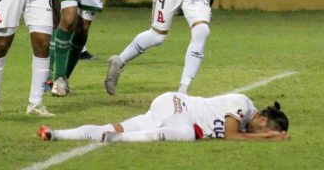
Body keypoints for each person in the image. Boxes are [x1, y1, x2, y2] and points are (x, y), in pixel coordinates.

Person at [37, 91, 289, 142]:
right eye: (267, 129)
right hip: (178, 106)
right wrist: (268, 138)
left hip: (169, 109)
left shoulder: (246, 119)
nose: (263, 133)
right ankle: (117, 140)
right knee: (189, 133)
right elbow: (231, 135)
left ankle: (55, 133)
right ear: (263, 120)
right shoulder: (242, 103)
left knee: (117, 126)